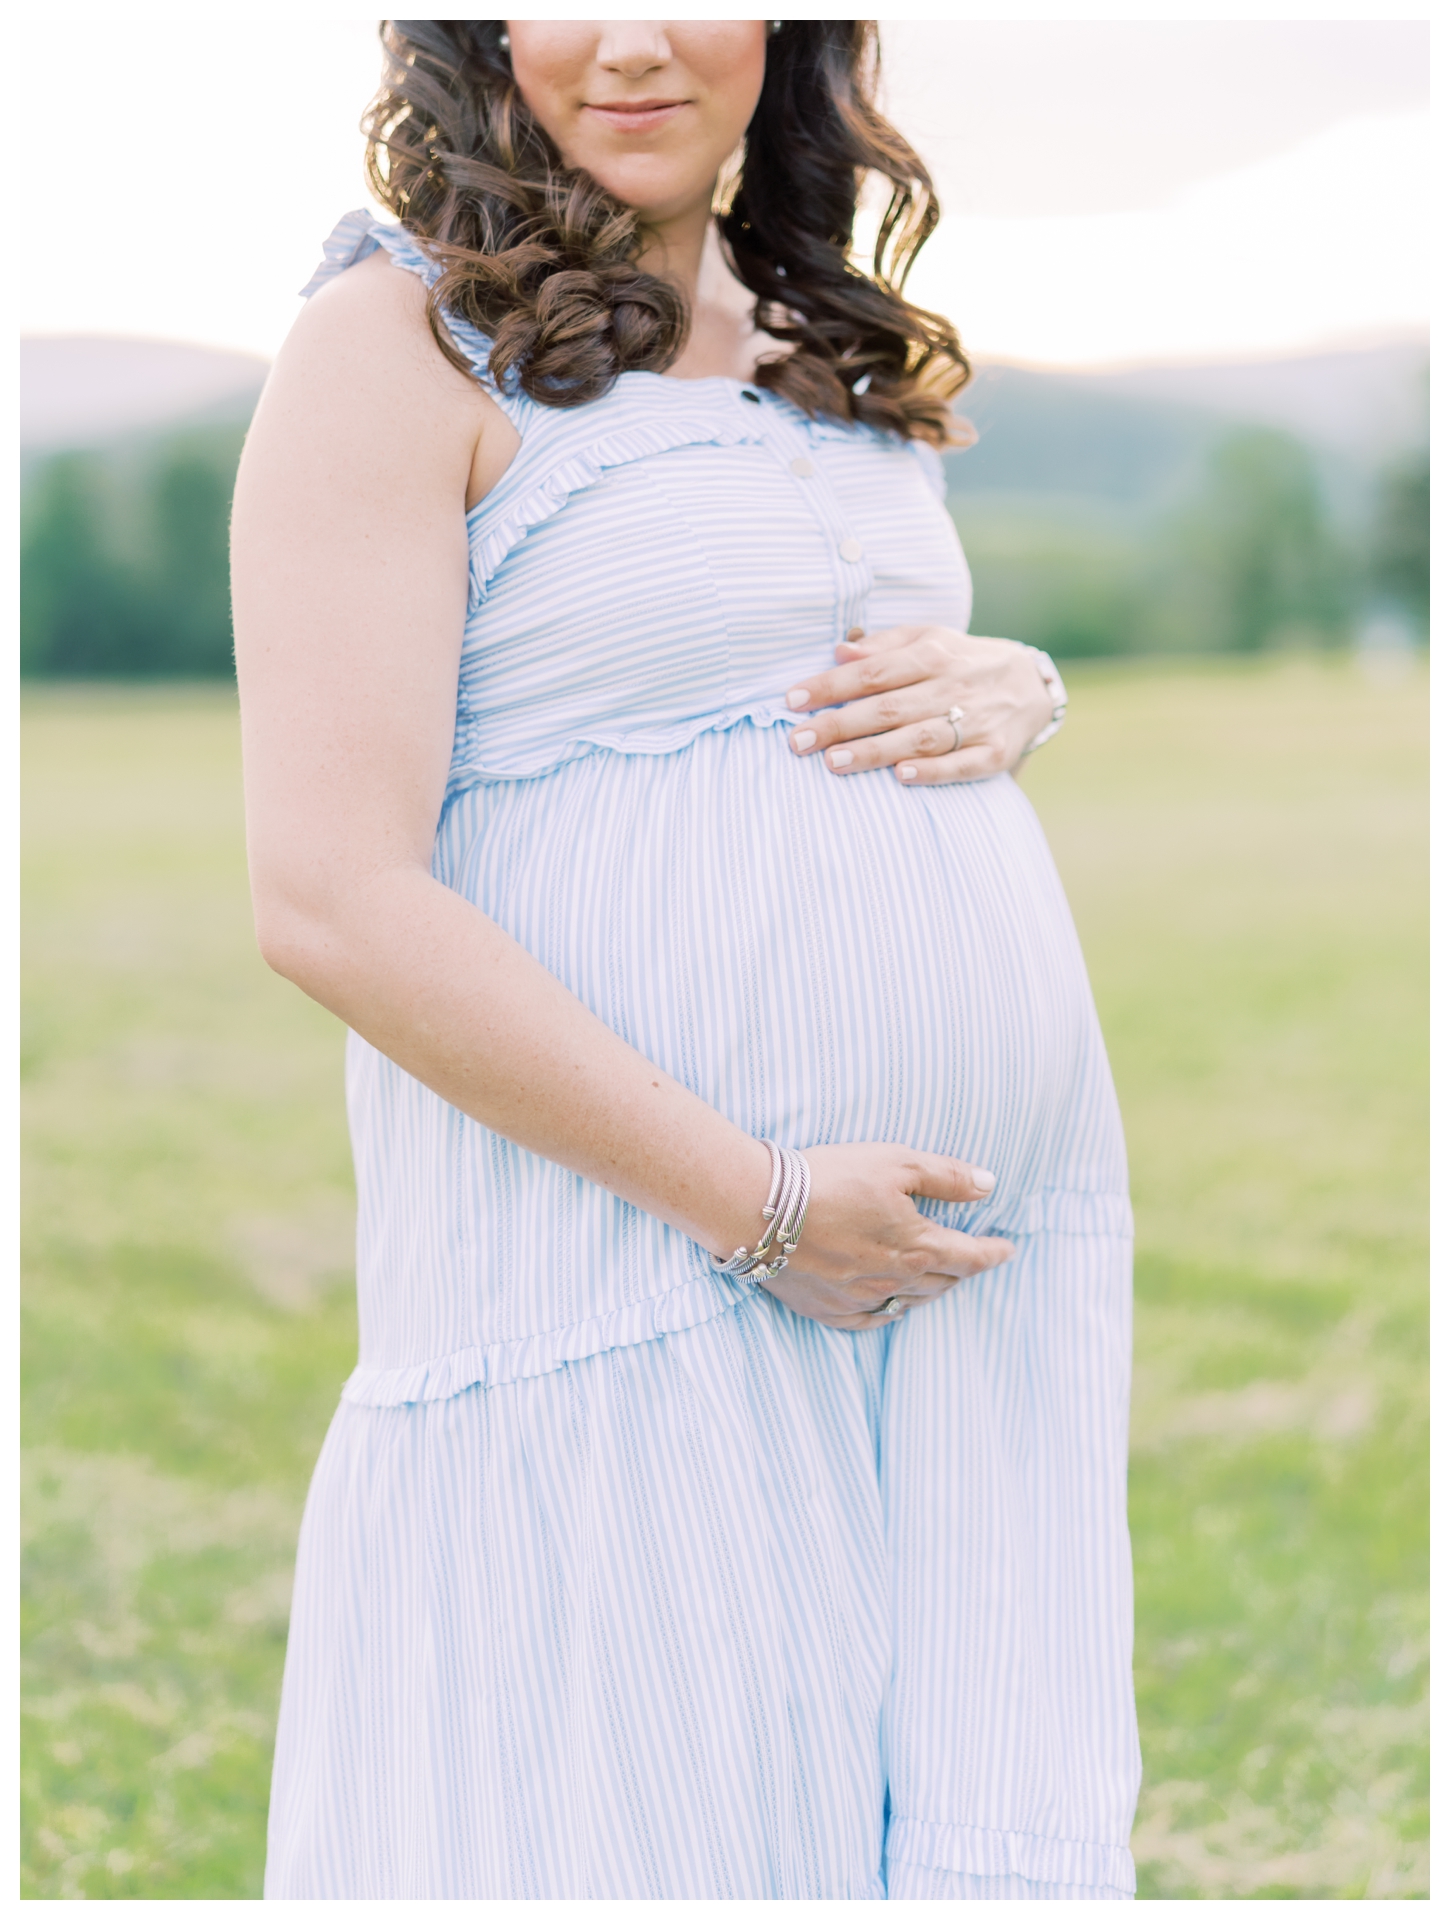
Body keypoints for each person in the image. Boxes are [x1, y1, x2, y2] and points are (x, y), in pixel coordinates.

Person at [232, 18, 1140, 1900]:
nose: (632, 38)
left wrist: (1016, 680)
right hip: (640, 1257)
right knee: (646, 1809)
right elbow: (328, 892)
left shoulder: (815, 332)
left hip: (953, 1285)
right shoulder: (389, 344)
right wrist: (761, 1205)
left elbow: (807, 671)